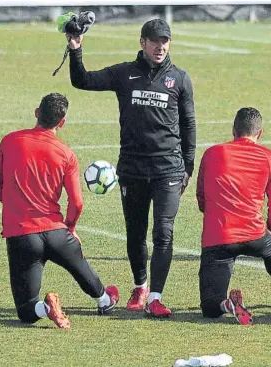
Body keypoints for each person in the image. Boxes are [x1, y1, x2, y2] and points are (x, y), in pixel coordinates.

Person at [66, 19, 196, 317]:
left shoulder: (180, 79)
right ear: (143, 42)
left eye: (165, 40)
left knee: (164, 233)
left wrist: (188, 166)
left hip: (168, 171)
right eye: (154, 40)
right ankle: (140, 286)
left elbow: (189, 125)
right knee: (135, 233)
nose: (160, 45)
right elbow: (82, 80)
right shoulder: (125, 73)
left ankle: (156, 298)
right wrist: (76, 49)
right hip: (133, 170)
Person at [0, 93, 119, 329]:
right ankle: (104, 299)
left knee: (26, 311)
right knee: (82, 268)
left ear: (36, 112)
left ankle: (46, 308)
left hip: (22, 235)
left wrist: (17, 206)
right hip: (57, 234)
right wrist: (70, 229)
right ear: (62, 123)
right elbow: (77, 202)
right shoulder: (66, 153)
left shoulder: (9, 141)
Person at [196, 107, 271, 326]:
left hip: (219, 237)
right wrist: (270, 228)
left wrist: (217, 217)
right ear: (259, 134)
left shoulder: (212, 153)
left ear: (233, 130)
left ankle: (226, 305)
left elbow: (201, 198)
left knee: (210, 307)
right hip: (256, 235)